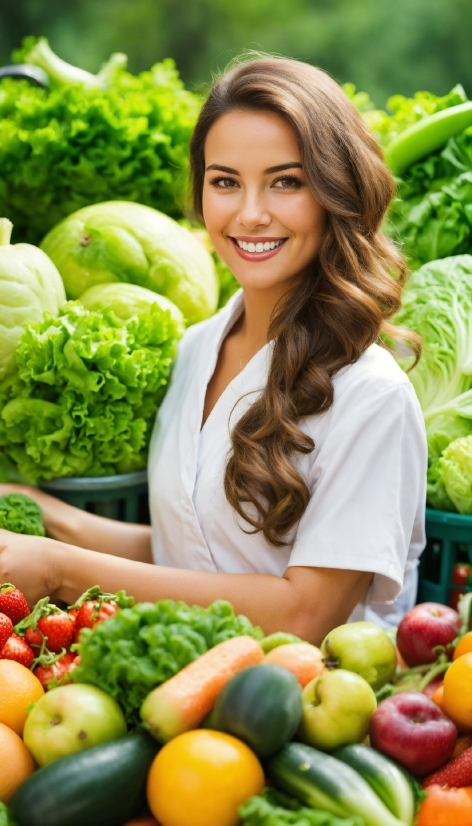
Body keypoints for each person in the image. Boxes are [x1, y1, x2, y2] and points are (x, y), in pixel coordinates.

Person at [0, 56, 427, 645]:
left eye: (286, 181)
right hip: (178, 694)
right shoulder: (197, 347)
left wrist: (62, 568)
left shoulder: (372, 395)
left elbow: (307, 614)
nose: (250, 213)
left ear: (338, 193)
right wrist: (50, 515)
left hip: (293, 714)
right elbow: (198, 557)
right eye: (225, 181)